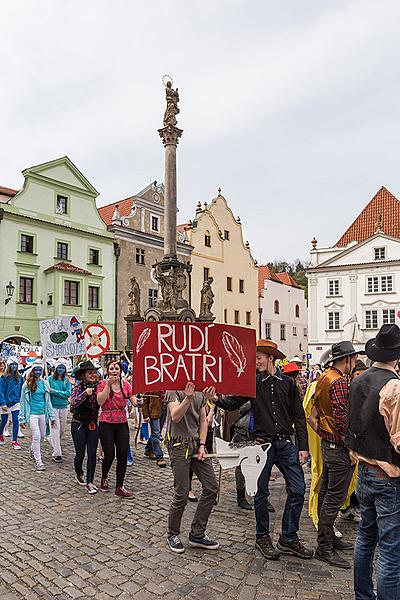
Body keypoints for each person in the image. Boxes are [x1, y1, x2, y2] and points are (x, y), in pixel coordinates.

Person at [215, 339, 313, 561]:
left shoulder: (288, 384)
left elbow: (299, 416)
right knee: (260, 493)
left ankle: (288, 537)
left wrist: (303, 447)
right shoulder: (252, 383)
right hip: (263, 445)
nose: (255, 361)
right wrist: (215, 399)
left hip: (286, 444)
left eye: (258, 358)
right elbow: (232, 403)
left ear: (270, 358)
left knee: (298, 489)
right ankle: (262, 537)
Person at [346, 324, 400, 599]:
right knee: (391, 548)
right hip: (387, 475)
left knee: (366, 538)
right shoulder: (394, 387)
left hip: (364, 472)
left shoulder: (357, 380)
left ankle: (362, 595)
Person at [313, 341, 357, 568]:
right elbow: (342, 419)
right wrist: (350, 447)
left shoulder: (324, 377)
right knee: (334, 498)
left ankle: (327, 539)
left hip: (327, 444)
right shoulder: (338, 381)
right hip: (338, 447)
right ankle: (324, 547)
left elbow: (316, 412)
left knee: (326, 494)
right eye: (353, 359)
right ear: (347, 360)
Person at [166, 382, 219, 553]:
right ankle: (172, 534)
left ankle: (197, 534)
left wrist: (203, 444)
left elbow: (203, 421)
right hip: (178, 445)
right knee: (181, 493)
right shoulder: (172, 388)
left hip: (197, 444)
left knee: (211, 487)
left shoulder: (201, 391)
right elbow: (175, 416)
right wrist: (188, 398)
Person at [97, 361, 137, 499]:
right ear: (107, 370)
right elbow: (100, 401)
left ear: (120, 370)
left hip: (121, 422)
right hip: (106, 422)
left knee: (122, 453)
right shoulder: (102, 384)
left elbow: (133, 399)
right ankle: (104, 477)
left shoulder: (125, 384)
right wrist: (108, 385)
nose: (114, 370)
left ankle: (119, 486)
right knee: (109, 455)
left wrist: (138, 402)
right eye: (111, 368)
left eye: (117, 368)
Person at [70, 360, 100, 494]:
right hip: (78, 424)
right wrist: (85, 394)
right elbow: (73, 404)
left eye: (94, 372)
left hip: (93, 424)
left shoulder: (100, 387)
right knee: (80, 453)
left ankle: (90, 481)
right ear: (83, 375)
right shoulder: (78, 388)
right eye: (90, 373)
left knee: (92, 454)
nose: (93, 375)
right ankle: (79, 472)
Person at [19, 362, 55, 471]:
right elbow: (22, 402)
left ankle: (32, 449)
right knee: (36, 436)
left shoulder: (45, 383)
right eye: (36, 370)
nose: (38, 372)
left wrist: (52, 416)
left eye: (40, 370)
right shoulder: (27, 384)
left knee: (43, 435)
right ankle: (39, 461)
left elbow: (48, 401)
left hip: (43, 414)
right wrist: (22, 418)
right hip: (32, 414)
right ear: (32, 371)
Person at [48, 360, 72, 463]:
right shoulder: (49, 379)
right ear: (56, 369)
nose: (61, 370)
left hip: (63, 406)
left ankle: (52, 439)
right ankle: (57, 453)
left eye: (63, 368)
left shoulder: (66, 380)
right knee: (55, 429)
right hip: (53, 407)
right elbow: (48, 392)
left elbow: (67, 393)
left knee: (61, 430)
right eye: (59, 368)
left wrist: (55, 392)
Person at [0, 358, 23, 449]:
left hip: (16, 402)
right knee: (4, 421)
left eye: (15, 364)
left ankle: (14, 441)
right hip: (5, 402)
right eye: (12, 364)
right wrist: (2, 403)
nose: (14, 366)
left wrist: (21, 400)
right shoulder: (4, 377)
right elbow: (1, 391)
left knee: (16, 420)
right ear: (9, 366)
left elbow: (21, 389)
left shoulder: (20, 377)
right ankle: (0, 434)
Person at [142, 392, 167, 467]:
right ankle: (160, 457)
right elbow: (144, 399)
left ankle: (148, 450)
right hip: (154, 411)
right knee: (156, 434)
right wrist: (145, 415)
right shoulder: (151, 383)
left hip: (163, 410)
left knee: (156, 433)